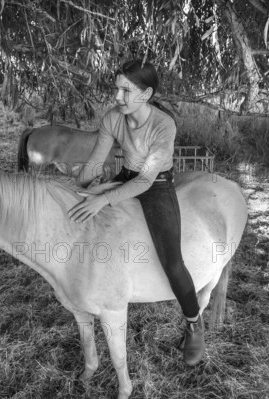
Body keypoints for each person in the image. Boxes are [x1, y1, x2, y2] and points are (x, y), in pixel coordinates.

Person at [67, 59, 205, 366]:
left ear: (146, 93)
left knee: (172, 262)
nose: (117, 97)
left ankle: (194, 324)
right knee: (81, 205)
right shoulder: (113, 117)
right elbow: (95, 161)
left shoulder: (163, 125)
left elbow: (145, 180)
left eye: (125, 90)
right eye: (116, 89)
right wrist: (83, 187)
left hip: (156, 184)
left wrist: (102, 199)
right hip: (126, 175)